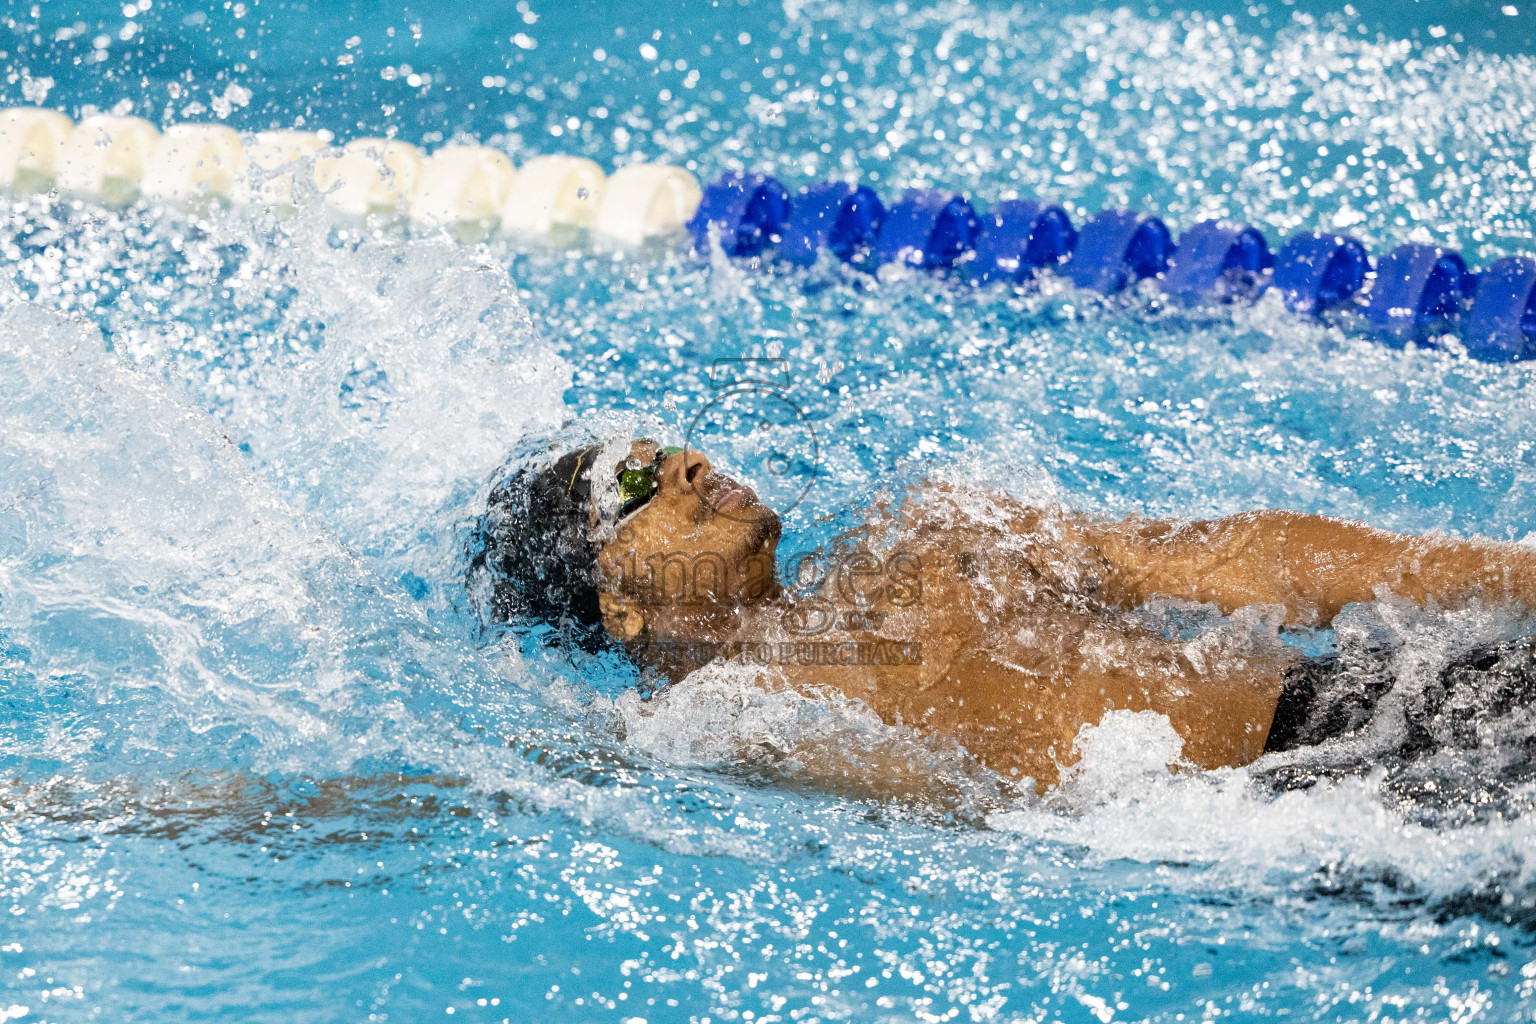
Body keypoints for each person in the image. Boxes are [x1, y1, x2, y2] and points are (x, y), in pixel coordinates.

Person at [471, 437, 1536, 793]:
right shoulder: (717, 724)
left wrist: (1510, 571)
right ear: (619, 600)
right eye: (640, 486)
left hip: (1388, 697)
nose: (690, 465)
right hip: (1305, 819)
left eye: (668, 448)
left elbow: (1215, 556)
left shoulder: (931, 531)